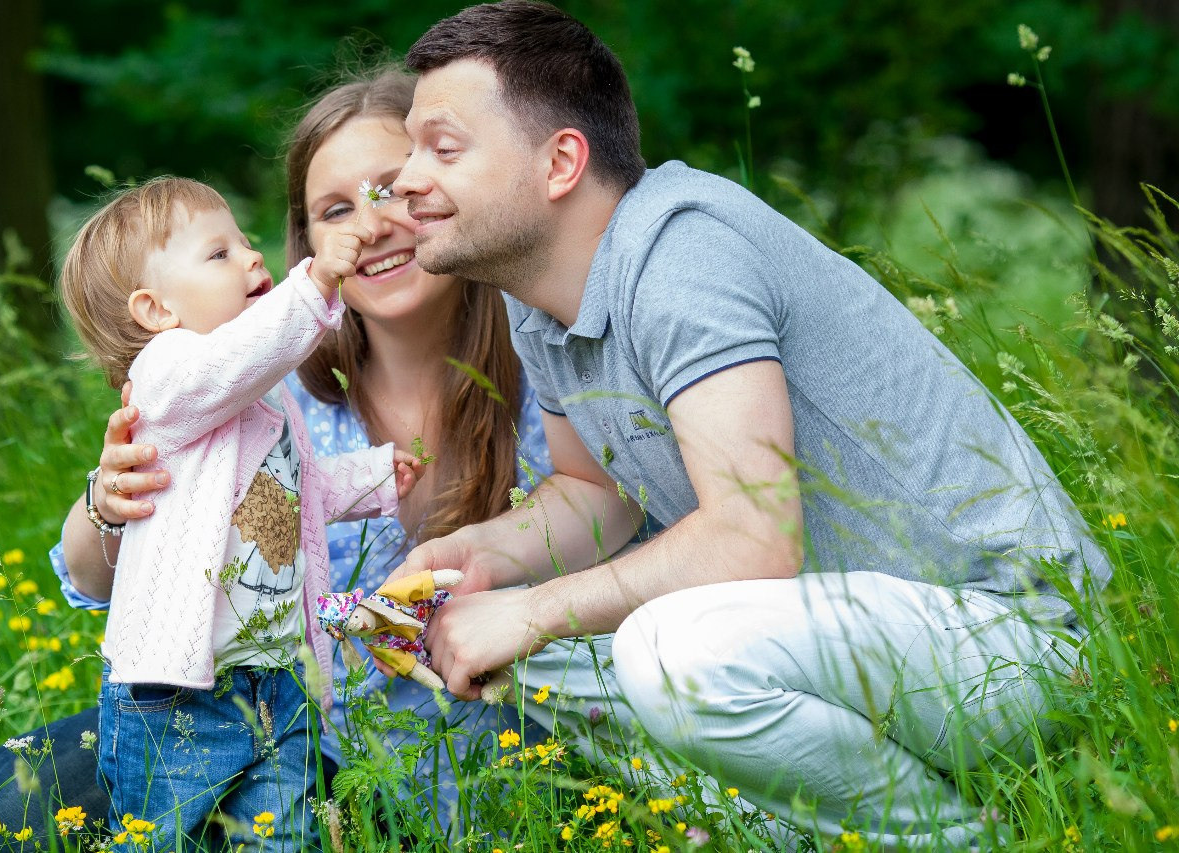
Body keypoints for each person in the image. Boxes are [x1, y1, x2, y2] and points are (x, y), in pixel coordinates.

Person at [382, 1, 1113, 845]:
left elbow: (754, 540)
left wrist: (537, 605)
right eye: (408, 149)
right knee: (522, 653)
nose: (403, 179)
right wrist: (483, 558)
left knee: (664, 648)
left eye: (441, 147)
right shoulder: (535, 301)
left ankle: (957, 838)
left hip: (1015, 637)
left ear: (561, 163)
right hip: (851, 640)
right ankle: (799, 832)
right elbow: (594, 490)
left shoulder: (682, 254)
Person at [0, 68, 554, 848]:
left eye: (390, 190)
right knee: (13, 796)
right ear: (310, 248)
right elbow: (93, 576)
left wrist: (373, 521)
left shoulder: (550, 380)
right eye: (337, 210)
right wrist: (106, 499)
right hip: (261, 708)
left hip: (439, 746)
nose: (369, 226)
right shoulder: (258, 392)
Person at [61, 174, 428, 850]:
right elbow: (241, 356)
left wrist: (375, 477)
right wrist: (312, 286)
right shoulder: (166, 376)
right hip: (177, 696)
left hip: (277, 679)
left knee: (280, 835)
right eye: (219, 253)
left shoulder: (263, 404)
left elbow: (288, 497)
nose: (252, 256)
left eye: (245, 242)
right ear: (154, 310)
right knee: (162, 835)